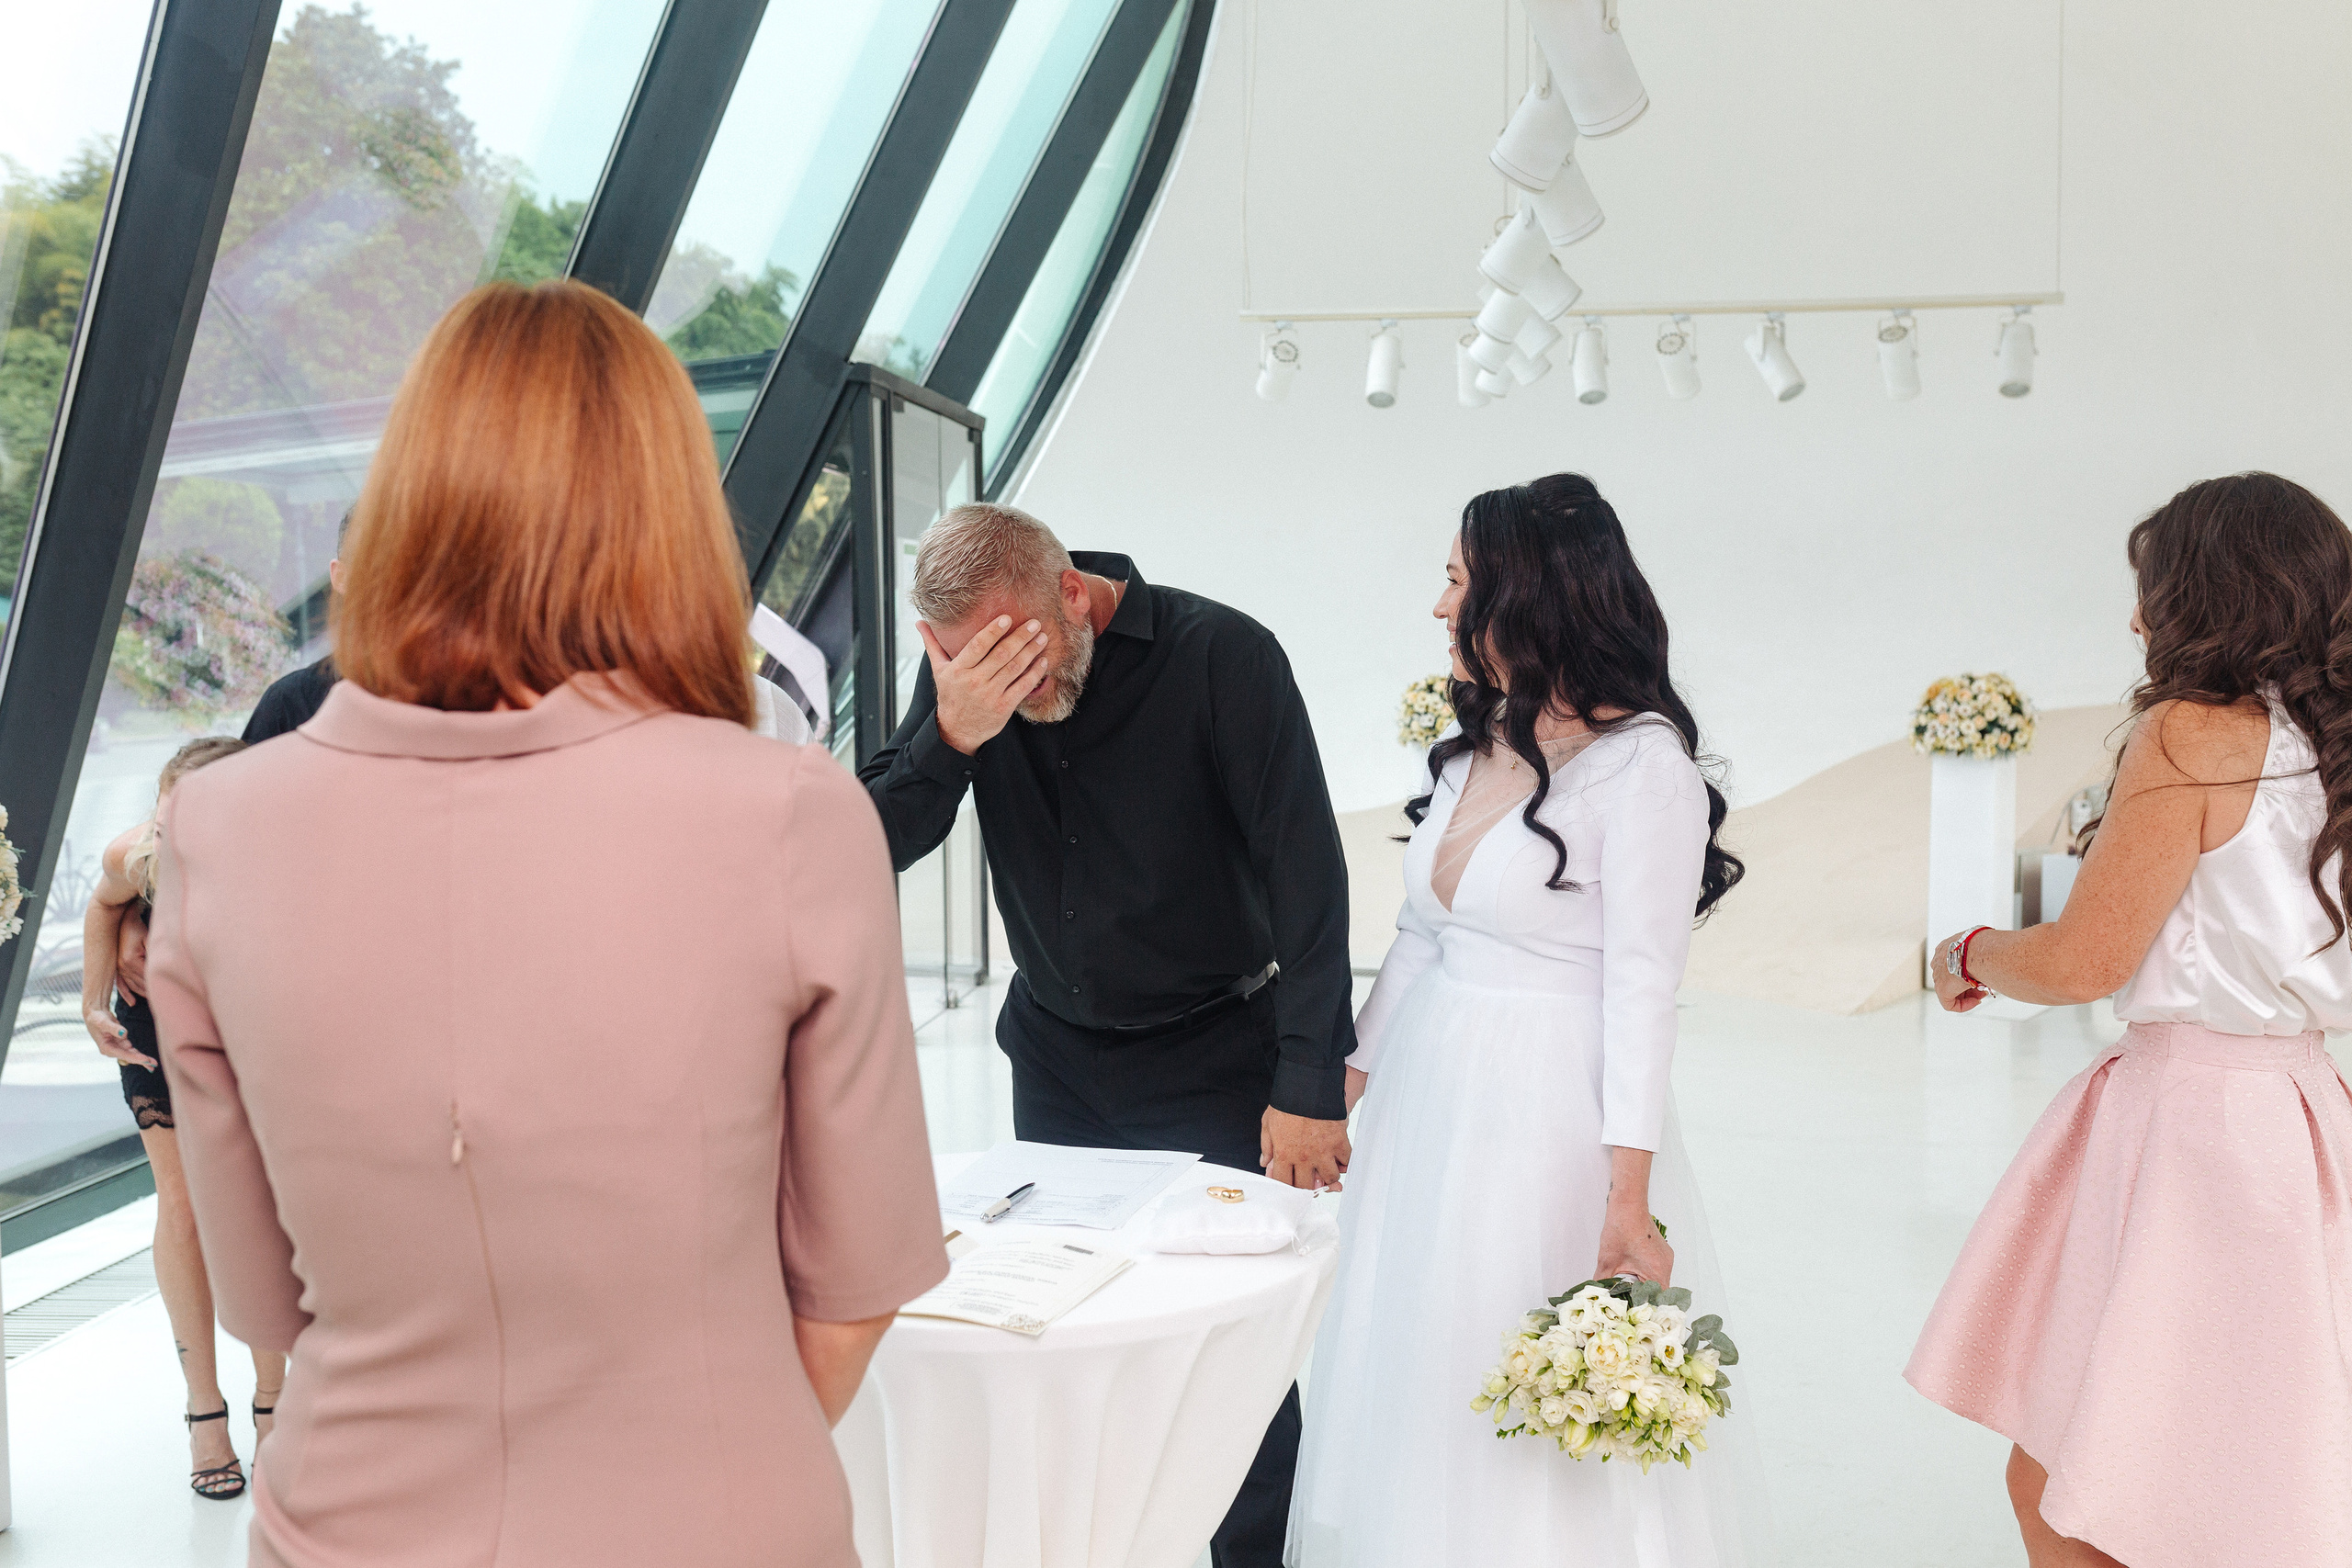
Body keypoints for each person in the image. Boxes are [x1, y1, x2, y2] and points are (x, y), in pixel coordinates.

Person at [146, 277, 947, 1568]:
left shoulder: (216, 829)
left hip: (343, 1526)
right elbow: (857, 1290)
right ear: (670, 519)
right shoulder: (789, 812)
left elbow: (260, 1296)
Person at [856, 502, 1354, 1568]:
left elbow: (1305, 873)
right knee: (1059, 1330)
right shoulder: (968, 680)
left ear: (1071, 597)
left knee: (1228, 1357)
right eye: (964, 663)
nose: (1005, 687)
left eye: (1019, 660)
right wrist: (951, 733)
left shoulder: (1224, 656)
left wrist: (1309, 1080)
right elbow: (879, 838)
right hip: (1056, 1062)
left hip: (1219, 1056)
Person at [1288, 475, 1770, 1568]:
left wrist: (1629, 1201)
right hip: (1430, 1099)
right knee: (1418, 1349)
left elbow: (1643, 988)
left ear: (1523, 594)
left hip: (1546, 1111)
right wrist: (1334, 1095)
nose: (1437, 605)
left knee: (1514, 1352)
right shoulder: (1475, 744)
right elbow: (1419, 938)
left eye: (1455, 578)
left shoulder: (1643, 767)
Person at [1908, 472, 2352, 1568]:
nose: (2135, 614)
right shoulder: (2335, 749)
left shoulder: (2189, 734)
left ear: (2210, 593)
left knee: (2074, 1485)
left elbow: (2080, 960)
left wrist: (1964, 954)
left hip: (2188, 1135)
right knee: (2236, 1479)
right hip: (2303, 1120)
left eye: (2150, 586)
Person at [82, 735, 288, 1501]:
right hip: (158, 1025)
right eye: (166, 821)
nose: (174, 838)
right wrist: (92, 1003)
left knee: (258, 1209)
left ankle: (276, 1402)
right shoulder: (140, 854)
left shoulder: (281, 865)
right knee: (185, 1207)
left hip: (251, 1024)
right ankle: (206, 1410)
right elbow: (105, 906)